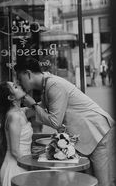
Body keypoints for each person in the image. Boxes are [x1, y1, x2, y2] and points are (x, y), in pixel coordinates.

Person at [15, 57, 115, 186]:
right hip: (90, 136)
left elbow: (55, 121)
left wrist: (33, 105)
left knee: (103, 182)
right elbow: (43, 107)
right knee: (92, 181)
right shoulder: (47, 84)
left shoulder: (54, 85)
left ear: (28, 74)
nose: (19, 82)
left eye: (19, 78)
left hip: (99, 133)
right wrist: (19, 112)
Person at [0, 81, 33, 186]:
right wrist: (32, 165)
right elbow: (15, 151)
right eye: (15, 87)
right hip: (15, 168)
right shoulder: (14, 116)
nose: (19, 86)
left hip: (22, 164)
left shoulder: (20, 112)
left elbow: (39, 109)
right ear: (11, 98)